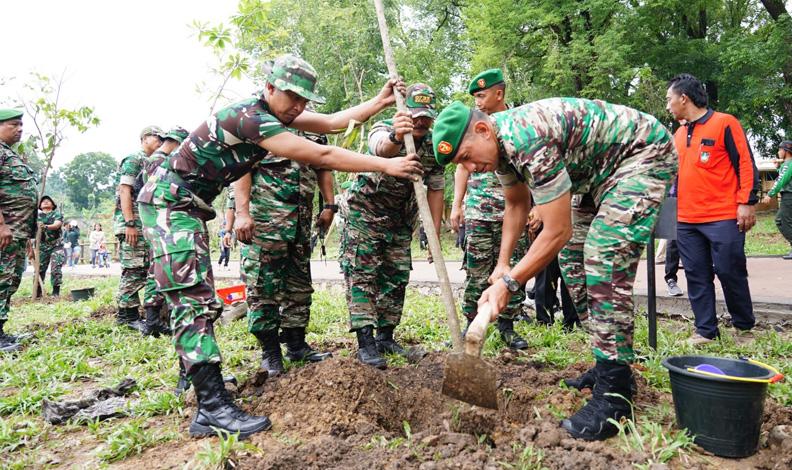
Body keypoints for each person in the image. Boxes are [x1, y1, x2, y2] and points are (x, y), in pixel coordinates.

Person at [136, 54, 421, 439]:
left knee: (194, 299)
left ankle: (202, 391)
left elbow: (333, 124)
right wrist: (385, 165)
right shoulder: (249, 117)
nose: (299, 107)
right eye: (292, 97)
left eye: (304, 100)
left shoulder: (273, 113)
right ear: (269, 88)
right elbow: (322, 154)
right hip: (169, 204)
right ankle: (212, 408)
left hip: (186, 205)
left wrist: (381, 101)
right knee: (193, 299)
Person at [432, 98, 676, 441]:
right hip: (597, 173)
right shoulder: (499, 150)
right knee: (574, 260)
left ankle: (615, 394)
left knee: (603, 255)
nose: (470, 168)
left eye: (466, 157)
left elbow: (556, 230)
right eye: (462, 164)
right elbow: (517, 203)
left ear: (483, 129)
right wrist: (503, 264)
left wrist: (510, 283)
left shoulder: (527, 139)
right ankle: (610, 361)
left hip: (642, 155)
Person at [341, 83, 443, 369]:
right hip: (365, 215)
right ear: (404, 110)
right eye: (416, 114)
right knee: (363, 276)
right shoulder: (385, 128)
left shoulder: (435, 146)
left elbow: (436, 189)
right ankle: (366, 341)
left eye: (427, 116)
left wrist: (432, 233)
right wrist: (397, 135)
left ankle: (386, 336)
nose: (421, 121)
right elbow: (381, 149)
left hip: (400, 220)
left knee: (396, 277)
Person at [231, 132, 335, 377]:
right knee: (263, 287)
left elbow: (323, 167)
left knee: (299, 286)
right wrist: (242, 213)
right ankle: (270, 352)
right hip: (265, 224)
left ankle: (297, 345)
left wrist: (329, 205)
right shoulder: (259, 130)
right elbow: (241, 171)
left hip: (300, 223)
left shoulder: (313, 134)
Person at [665, 74, 758, 345]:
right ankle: (705, 330)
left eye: (670, 99)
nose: (668, 105)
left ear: (684, 98)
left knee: (730, 270)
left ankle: (744, 327)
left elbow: (745, 163)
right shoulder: (679, 134)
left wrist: (746, 201)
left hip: (723, 216)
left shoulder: (725, 123)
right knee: (696, 275)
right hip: (686, 219)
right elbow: (672, 176)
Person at [450, 69, 529, 348]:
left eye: (482, 95)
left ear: (499, 93)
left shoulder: (519, 125)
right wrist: (457, 204)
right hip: (479, 211)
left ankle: (508, 326)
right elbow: (462, 168)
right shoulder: (473, 126)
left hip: (516, 211)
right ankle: (472, 324)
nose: (478, 102)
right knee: (477, 270)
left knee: (513, 269)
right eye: (475, 97)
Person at [113, 125, 165, 333]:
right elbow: (125, 190)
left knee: (144, 267)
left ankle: (132, 312)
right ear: (144, 138)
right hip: (132, 223)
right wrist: (130, 223)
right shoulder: (135, 159)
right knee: (134, 268)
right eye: (157, 137)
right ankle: (127, 315)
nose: (160, 141)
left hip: (144, 224)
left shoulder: (155, 163)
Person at [138, 127, 188, 338]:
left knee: (157, 268)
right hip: (161, 221)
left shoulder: (153, 159)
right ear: (177, 142)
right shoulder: (161, 161)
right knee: (158, 270)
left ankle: (154, 320)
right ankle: (152, 321)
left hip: (155, 220)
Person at [0, 109, 38, 353]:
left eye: (22, 125)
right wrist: (1, 225)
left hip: (17, 231)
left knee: (10, 279)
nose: (20, 129)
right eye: (15, 124)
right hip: (5, 230)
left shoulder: (9, 154)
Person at [762, 140, 792, 259]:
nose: (778, 152)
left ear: (786, 151)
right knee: (784, 220)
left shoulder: (788, 163)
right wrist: (778, 167)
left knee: (781, 220)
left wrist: (770, 194)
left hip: (789, 196)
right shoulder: (787, 164)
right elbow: (785, 176)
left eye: (780, 149)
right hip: (788, 195)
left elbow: (781, 180)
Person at [35, 196, 65, 297]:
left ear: (53, 205)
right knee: (39, 269)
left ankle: (56, 291)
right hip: (41, 246)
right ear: (39, 205)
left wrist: (45, 226)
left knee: (55, 267)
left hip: (56, 245)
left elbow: (57, 225)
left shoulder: (56, 214)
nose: (46, 202)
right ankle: (38, 291)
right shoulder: (36, 217)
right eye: (43, 201)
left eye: (48, 201)